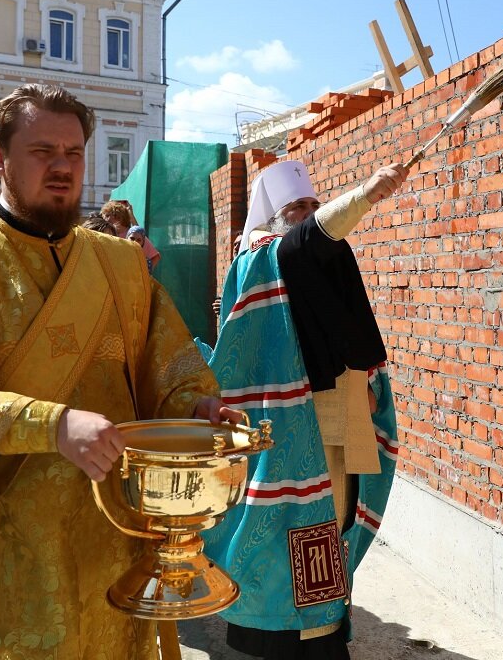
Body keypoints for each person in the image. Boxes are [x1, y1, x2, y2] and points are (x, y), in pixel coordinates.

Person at [0, 83, 237, 659]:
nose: (62, 168)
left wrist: (196, 409)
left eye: (74, 153)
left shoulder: (123, 264)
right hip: (6, 547)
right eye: (42, 151)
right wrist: (52, 425)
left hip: (115, 540)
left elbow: (171, 363)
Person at [201, 159, 408, 660]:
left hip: (343, 412)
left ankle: (326, 628)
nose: (308, 214)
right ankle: (299, 636)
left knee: (336, 522)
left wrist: (370, 384)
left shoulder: (322, 255)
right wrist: (365, 194)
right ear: (272, 218)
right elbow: (304, 243)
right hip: (291, 425)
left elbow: (349, 322)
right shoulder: (259, 260)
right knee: (297, 525)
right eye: (296, 207)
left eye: (313, 204)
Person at [100, 199, 160, 272]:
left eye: (108, 215)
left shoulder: (132, 235)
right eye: (105, 215)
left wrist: (145, 274)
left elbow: (155, 257)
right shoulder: (105, 233)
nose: (105, 219)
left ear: (118, 216)